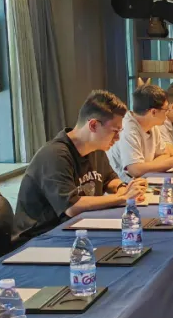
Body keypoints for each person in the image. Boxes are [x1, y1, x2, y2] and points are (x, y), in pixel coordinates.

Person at [13, 90, 145, 242]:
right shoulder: (54, 155)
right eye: (114, 131)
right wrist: (122, 198)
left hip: (76, 228)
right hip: (41, 238)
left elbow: (109, 180)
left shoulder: (96, 148)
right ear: (93, 125)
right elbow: (71, 207)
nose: (117, 137)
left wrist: (123, 188)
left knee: (133, 235)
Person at [108, 83, 173, 182]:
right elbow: (135, 170)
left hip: (147, 180)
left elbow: (164, 154)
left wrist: (147, 166)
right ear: (153, 112)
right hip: (126, 186)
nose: (168, 113)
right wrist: (172, 163)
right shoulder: (127, 128)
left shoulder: (153, 125)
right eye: (166, 109)